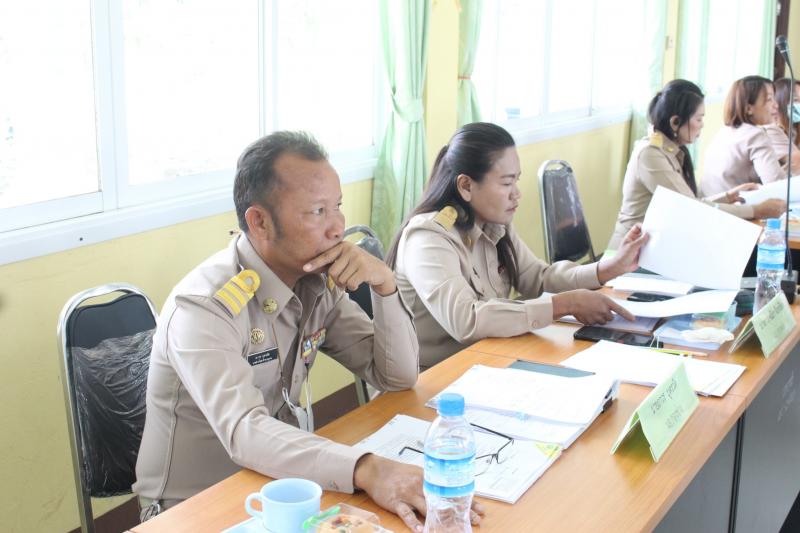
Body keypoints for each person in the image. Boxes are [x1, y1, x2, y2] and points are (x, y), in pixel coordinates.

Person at [133, 131, 483, 531]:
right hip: (196, 508)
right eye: (317, 211)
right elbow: (245, 431)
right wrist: (369, 469)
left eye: (337, 206)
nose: (337, 228)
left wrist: (385, 285)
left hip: (280, 484)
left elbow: (396, 376)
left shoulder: (315, 282)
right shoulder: (204, 307)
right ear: (260, 222)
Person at [386, 122, 648, 368]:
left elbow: (538, 277)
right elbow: (467, 320)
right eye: (506, 183)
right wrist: (565, 305)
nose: (516, 194)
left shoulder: (492, 222)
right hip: (430, 378)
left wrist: (609, 268)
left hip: (484, 360)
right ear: (466, 185)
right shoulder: (428, 238)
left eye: (516, 181)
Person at [608, 79, 786, 250]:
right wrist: (756, 210)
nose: (702, 125)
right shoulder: (651, 154)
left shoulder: (671, 151)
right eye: (699, 119)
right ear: (675, 122)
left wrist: (728, 196)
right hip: (628, 254)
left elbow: (689, 203)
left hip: (653, 247)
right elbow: (691, 209)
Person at [702, 76, 787, 196]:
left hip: (709, 203)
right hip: (733, 206)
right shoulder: (755, 135)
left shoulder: (724, 131)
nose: (776, 105)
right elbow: (777, 184)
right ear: (748, 108)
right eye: (769, 99)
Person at [765, 77, 800, 174]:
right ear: (779, 101)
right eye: (796, 100)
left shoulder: (794, 129)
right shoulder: (771, 131)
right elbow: (797, 162)